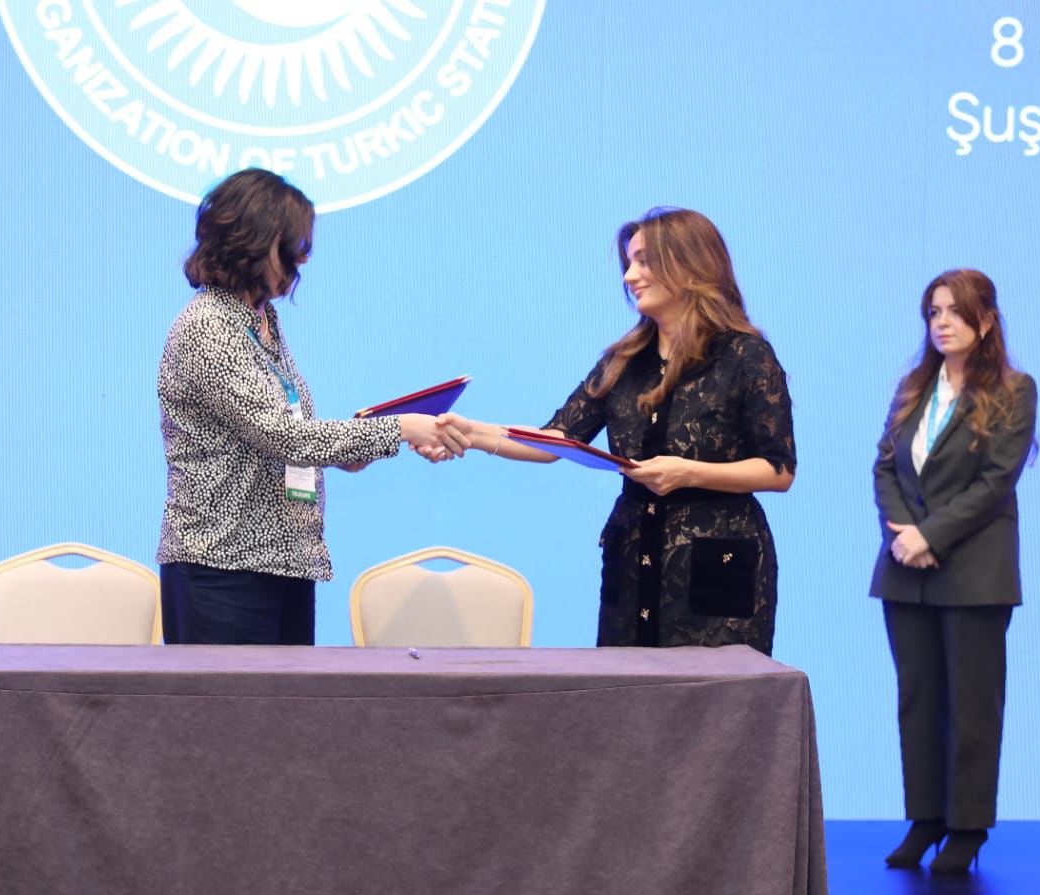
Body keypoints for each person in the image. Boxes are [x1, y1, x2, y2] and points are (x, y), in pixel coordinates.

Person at [441, 207, 795, 652]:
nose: (630, 276)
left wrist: (689, 473)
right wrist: (472, 433)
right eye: (629, 263)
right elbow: (558, 439)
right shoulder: (623, 360)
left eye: (644, 261)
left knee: (715, 708)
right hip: (633, 561)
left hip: (718, 565)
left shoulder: (746, 355)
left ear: (689, 264)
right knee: (627, 703)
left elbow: (778, 470)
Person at [156, 168, 468, 645]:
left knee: (288, 720)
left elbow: (288, 432)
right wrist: (398, 428)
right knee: (229, 720)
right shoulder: (208, 327)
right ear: (256, 241)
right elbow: (282, 435)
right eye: (294, 244)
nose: (304, 257)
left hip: (282, 560)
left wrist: (347, 448)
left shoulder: (261, 320)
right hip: (221, 568)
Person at [871, 268, 1037, 874]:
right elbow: (885, 469)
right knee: (917, 700)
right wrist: (904, 537)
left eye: (954, 312)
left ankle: (967, 827)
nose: (941, 322)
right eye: (933, 312)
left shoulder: (1014, 390)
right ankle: (926, 819)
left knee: (972, 703)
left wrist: (930, 535)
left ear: (986, 321)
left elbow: (996, 482)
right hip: (906, 569)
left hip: (973, 571)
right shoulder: (914, 387)